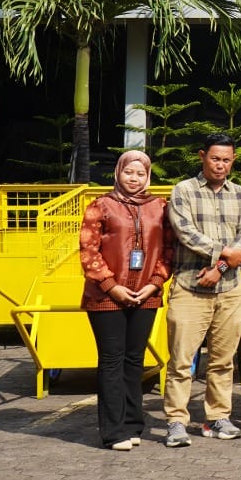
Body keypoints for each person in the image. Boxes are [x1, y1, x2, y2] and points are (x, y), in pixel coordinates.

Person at [164, 132, 241, 447]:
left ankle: (217, 418)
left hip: (231, 288)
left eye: (226, 160)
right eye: (215, 158)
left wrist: (220, 267)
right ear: (202, 156)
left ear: (233, 161)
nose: (220, 165)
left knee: (223, 358)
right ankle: (176, 421)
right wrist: (223, 253)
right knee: (181, 358)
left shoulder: (240, 194)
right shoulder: (183, 191)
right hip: (190, 286)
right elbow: (185, 231)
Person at [80, 150, 171, 450]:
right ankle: (113, 430)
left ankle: (134, 424)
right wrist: (111, 286)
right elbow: (88, 251)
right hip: (106, 298)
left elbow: (169, 249)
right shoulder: (101, 206)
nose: (134, 179)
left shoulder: (159, 207)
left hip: (146, 295)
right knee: (111, 361)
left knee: (135, 361)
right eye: (128, 172)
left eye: (140, 174)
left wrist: (155, 283)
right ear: (118, 173)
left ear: (148, 176)